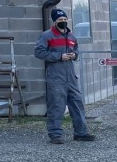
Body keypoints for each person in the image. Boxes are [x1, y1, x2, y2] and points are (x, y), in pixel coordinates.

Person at [34, 8, 96, 144]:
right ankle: (55, 134)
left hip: (71, 76)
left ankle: (81, 132)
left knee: (77, 104)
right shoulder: (47, 36)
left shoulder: (72, 36)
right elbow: (38, 52)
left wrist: (75, 55)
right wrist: (58, 56)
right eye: (60, 20)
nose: (63, 22)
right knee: (56, 106)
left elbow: (76, 49)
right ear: (54, 21)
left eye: (65, 20)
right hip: (56, 77)